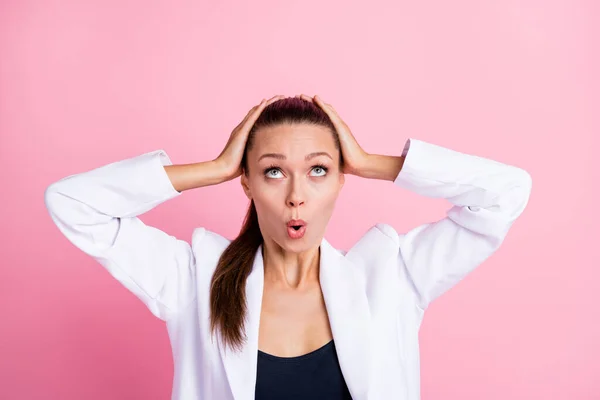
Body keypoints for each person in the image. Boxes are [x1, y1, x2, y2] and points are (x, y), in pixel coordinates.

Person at [44, 94, 532, 400]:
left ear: (342, 181)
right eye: (273, 171)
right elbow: (70, 202)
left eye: (318, 170)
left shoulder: (392, 276)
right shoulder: (195, 281)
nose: (296, 195)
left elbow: (505, 195)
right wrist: (213, 169)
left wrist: (370, 161)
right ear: (248, 183)